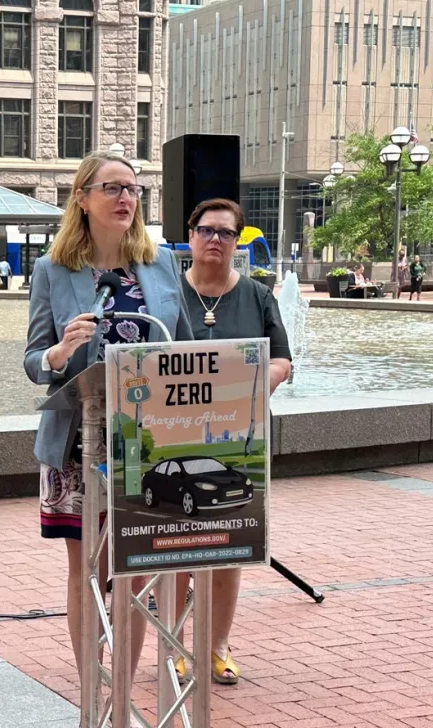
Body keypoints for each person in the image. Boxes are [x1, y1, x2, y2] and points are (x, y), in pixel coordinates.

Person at [24, 150, 193, 728]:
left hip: (149, 447)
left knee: (138, 573)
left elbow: (185, 349)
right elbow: (33, 361)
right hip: (79, 445)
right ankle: (93, 708)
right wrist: (58, 354)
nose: (126, 198)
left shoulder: (162, 264)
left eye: (133, 189)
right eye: (113, 188)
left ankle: (121, 701)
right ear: (83, 198)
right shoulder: (53, 269)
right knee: (90, 575)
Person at [176, 198, 292, 686]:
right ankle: (175, 644)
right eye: (207, 230)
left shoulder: (258, 297)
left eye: (227, 233)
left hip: (238, 440)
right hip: (176, 438)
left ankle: (217, 646)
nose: (216, 240)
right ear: (191, 236)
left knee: (227, 544)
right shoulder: (167, 293)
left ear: (236, 241)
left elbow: (282, 361)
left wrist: (251, 390)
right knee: (174, 545)